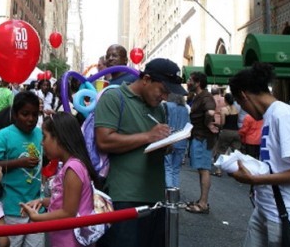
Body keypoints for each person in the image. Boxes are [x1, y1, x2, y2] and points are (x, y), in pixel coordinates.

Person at [229, 63, 290, 246]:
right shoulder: (270, 115)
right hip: (268, 211)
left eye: (241, 104)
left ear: (244, 95)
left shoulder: (284, 115)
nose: (244, 110)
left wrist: (255, 180)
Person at [95, 58, 187, 247]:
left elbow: (149, 143)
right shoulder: (114, 98)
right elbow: (103, 140)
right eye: (162, 90)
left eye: (167, 93)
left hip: (155, 198)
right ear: (146, 79)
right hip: (124, 197)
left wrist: (165, 144)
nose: (164, 97)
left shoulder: (160, 109)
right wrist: (148, 136)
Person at [21, 112, 97, 247]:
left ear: (60, 139)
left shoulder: (73, 168)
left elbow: (68, 212)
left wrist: (36, 218)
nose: (41, 143)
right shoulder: (69, 165)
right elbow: (67, 200)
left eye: (44, 137)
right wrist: (42, 201)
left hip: (69, 241)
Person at [0, 91, 43, 247]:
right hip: (11, 208)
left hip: (36, 208)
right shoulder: (2, 136)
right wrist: (19, 163)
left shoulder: (39, 134)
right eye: (25, 114)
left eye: (35, 114)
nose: (30, 119)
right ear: (14, 114)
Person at [185, 71, 221, 214]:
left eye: (190, 79)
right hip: (199, 136)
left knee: (204, 169)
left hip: (203, 138)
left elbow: (211, 111)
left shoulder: (206, 97)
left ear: (197, 82)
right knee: (202, 170)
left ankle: (203, 204)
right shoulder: (200, 96)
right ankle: (202, 200)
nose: (188, 82)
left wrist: (209, 123)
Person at [163, 93, 190, 188]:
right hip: (182, 140)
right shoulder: (185, 109)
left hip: (169, 139)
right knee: (176, 169)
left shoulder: (167, 105)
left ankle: (169, 191)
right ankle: (175, 192)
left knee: (168, 167)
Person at [212, 92, 242, 177]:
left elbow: (223, 123)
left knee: (220, 151)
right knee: (236, 152)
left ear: (225, 100)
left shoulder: (224, 110)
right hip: (236, 132)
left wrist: (216, 125)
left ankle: (218, 170)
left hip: (226, 132)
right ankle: (239, 169)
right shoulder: (236, 109)